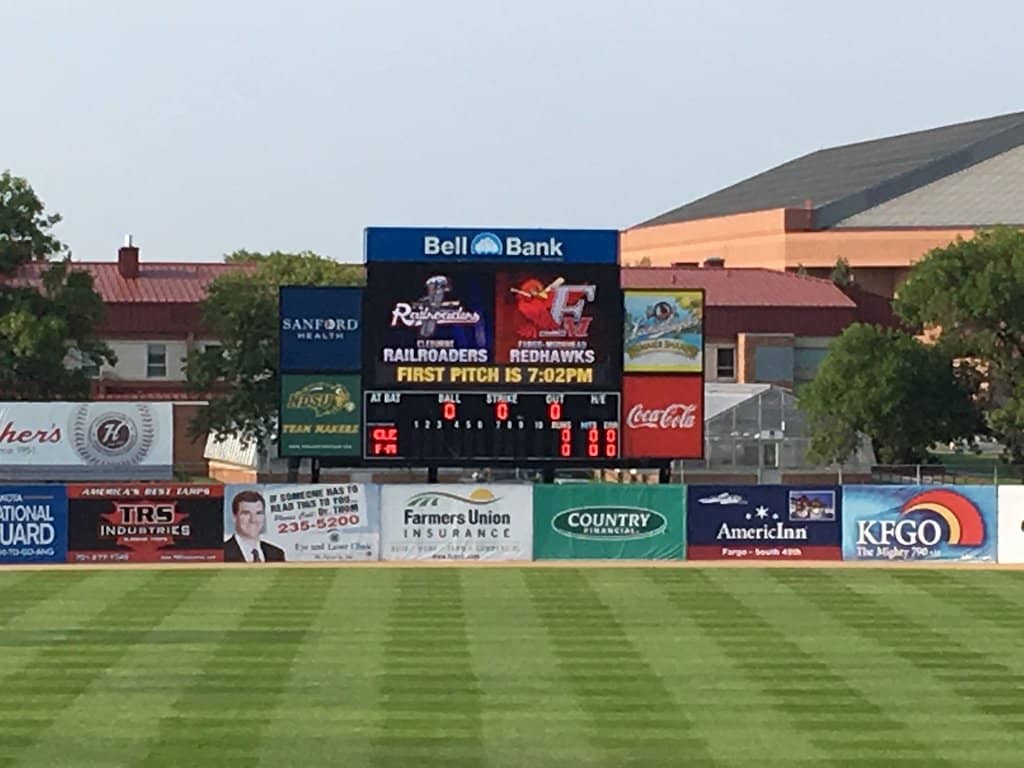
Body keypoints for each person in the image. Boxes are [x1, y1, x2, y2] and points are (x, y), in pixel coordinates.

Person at [224, 490, 285, 563]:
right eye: (246, 513)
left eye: (258, 513)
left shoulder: (277, 553)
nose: (253, 520)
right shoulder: (222, 553)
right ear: (234, 517)